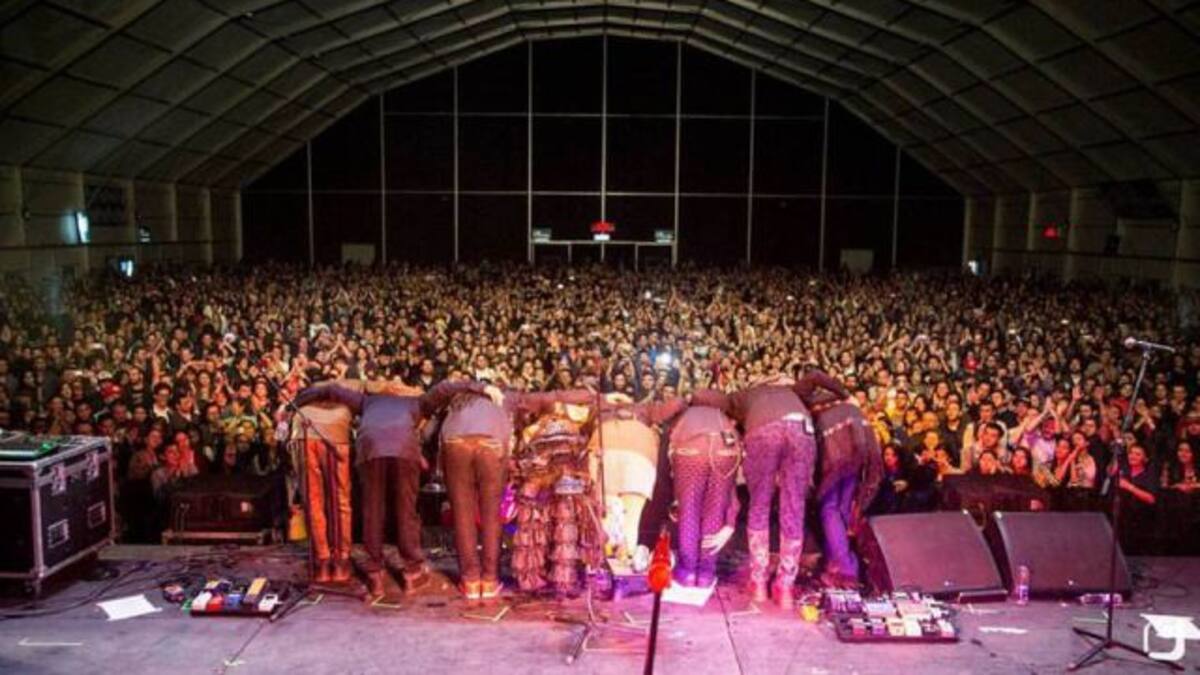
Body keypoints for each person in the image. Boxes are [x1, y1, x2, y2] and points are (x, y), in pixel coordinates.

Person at [292, 378, 495, 598]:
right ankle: (412, 571)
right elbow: (445, 387)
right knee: (406, 510)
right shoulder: (416, 402)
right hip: (403, 449)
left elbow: (331, 389)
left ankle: (375, 574)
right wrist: (483, 387)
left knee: (373, 510)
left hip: (370, 447)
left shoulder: (368, 401)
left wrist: (294, 402)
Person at [438, 382, 593, 600]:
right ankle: (490, 581)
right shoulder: (506, 397)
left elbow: (434, 403)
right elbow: (551, 395)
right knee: (491, 514)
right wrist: (594, 395)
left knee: (463, 514)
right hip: (492, 444)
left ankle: (471, 582)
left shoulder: (456, 396)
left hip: (455, 443)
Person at [693, 376, 819, 608]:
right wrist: (845, 396)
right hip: (802, 430)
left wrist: (689, 396)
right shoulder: (793, 391)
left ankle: (759, 583)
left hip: (763, 432)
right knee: (794, 508)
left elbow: (706, 395)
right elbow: (820, 382)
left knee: (759, 505)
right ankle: (785, 588)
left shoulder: (746, 395)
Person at [666, 402, 742, 587]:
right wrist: (730, 521)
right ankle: (706, 573)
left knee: (689, 510)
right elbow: (732, 488)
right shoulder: (722, 416)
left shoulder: (686, 415)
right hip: (726, 447)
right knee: (715, 508)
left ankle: (688, 571)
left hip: (691, 448)